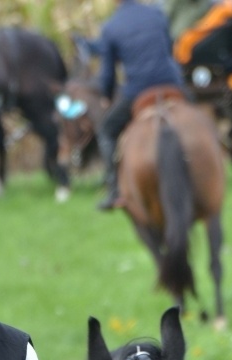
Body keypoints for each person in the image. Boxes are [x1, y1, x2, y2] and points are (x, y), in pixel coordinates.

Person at [94, 0, 186, 211]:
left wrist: (106, 97)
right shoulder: (156, 14)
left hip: (138, 90)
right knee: (197, 116)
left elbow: (107, 74)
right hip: (171, 83)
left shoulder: (110, 27)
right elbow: (169, 48)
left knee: (106, 131)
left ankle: (114, 190)